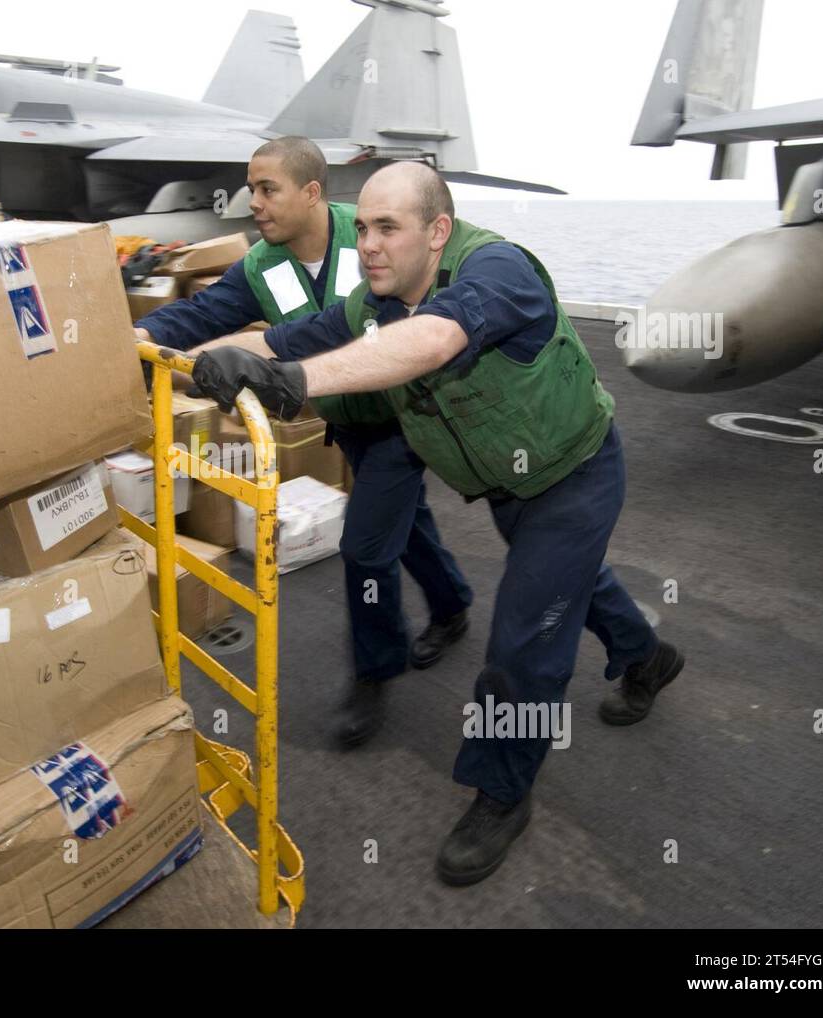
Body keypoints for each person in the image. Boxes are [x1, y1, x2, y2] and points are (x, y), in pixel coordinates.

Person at [189, 161, 685, 886]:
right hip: (509, 479)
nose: (371, 245)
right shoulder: (374, 302)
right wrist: (187, 361)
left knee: (526, 636)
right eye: (363, 229)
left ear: (438, 231)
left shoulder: (496, 269)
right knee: (572, 588)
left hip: (575, 472)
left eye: (389, 227)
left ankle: (503, 792)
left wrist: (292, 386)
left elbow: (433, 341)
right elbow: (292, 339)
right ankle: (647, 658)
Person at [135, 137, 472, 748]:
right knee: (405, 520)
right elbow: (197, 317)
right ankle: (452, 603)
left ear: (312, 193)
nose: (253, 202)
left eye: (268, 189)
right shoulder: (260, 265)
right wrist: (136, 336)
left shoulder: (371, 236)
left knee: (368, 547)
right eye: (251, 188)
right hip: (346, 422)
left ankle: (375, 669)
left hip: (402, 417)